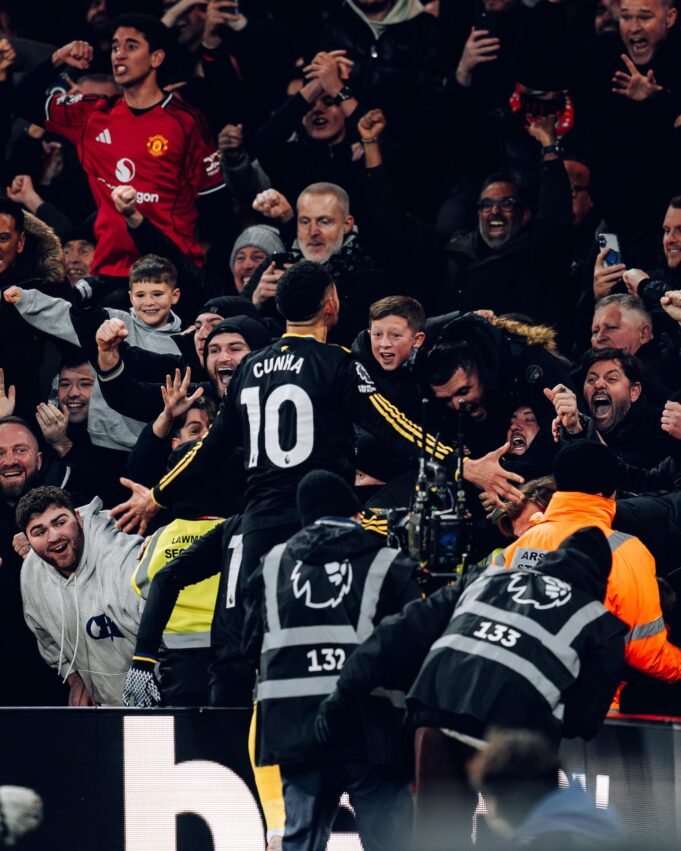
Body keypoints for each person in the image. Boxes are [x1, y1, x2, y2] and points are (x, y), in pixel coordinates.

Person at [316, 526, 626, 848]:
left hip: (438, 712)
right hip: (514, 739)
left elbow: (399, 632)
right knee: (516, 837)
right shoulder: (601, 623)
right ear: (601, 580)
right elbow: (583, 721)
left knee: (437, 838)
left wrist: (344, 690)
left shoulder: (484, 578)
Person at [246, 469, 420, 851]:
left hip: (296, 731)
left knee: (301, 844)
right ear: (356, 514)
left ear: (305, 518)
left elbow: (246, 646)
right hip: (372, 729)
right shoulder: (388, 561)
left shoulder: (272, 563)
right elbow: (414, 644)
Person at [9, 13, 226, 279]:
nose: (119, 55)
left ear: (156, 58)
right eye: (115, 47)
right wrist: (58, 58)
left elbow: (214, 200)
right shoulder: (92, 114)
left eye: (131, 46)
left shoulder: (186, 121)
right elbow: (19, 100)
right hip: (111, 272)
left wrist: (199, 267)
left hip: (169, 271)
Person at [495, 441, 681, 691]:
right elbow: (646, 651)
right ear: (609, 491)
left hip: (506, 692)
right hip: (579, 702)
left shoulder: (518, 546)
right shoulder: (625, 550)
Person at [5, 253, 183, 451]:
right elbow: (65, 315)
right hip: (103, 441)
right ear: (131, 297)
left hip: (159, 443)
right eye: (141, 295)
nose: (149, 302)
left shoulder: (186, 342)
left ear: (174, 295)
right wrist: (27, 300)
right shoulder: (113, 322)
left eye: (157, 294)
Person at [17, 485, 143, 706]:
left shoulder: (124, 559)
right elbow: (45, 636)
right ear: (28, 539)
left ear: (79, 519)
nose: (53, 537)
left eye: (60, 522)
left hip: (162, 704)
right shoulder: (32, 573)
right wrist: (75, 677)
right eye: (39, 532)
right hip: (105, 709)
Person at [246, 181, 389, 345]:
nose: (313, 232)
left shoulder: (369, 274)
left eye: (324, 221)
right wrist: (255, 302)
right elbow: (232, 324)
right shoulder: (276, 267)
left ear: (347, 224)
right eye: (305, 222)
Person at [0, 416, 71, 706]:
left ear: (39, 460)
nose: (10, 461)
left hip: (57, 675)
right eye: (0, 453)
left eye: (20, 450)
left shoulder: (66, 508)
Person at [468, 730, 626, 848]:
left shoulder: (551, 841)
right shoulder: (588, 815)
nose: (488, 811)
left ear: (507, 797)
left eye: (487, 795)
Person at [547, 348, 675, 468]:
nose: (598, 384)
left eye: (611, 379)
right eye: (591, 379)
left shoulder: (659, 427)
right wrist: (573, 431)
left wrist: (582, 433)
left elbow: (624, 477)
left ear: (634, 392)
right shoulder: (569, 426)